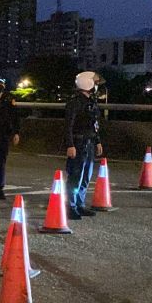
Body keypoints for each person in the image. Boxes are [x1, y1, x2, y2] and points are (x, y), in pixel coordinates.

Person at [64, 71, 104, 219]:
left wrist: (97, 141)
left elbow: (94, 125)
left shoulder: (91, 103)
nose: (96, 86)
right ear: (87, 83)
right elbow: (68, 125)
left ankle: (79, 204)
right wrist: (70, 144)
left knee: (86, 176)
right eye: (95, 83)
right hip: (78, 143)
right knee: (75, 175)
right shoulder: (75, 103)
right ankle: (71, 206)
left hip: (89, 143)